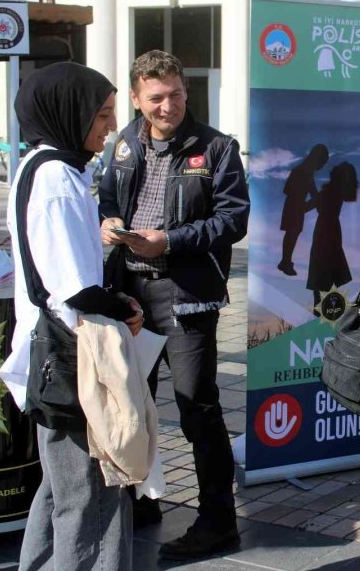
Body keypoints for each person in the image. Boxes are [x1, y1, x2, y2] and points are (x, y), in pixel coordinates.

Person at [98, 50, 249, 559]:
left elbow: (233, 221)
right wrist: (108, 222)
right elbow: (108, 199)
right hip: (129, 294)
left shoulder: (217, 148)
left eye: (177, 95)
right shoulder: (123, 143)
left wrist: (169, 240)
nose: (169, 107)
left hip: (186, 297)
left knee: (197, 409)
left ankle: (218, 523)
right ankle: (142, 503)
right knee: (133, 404)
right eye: (157, 98)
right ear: (136, 99)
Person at [0, 62, 143, 570]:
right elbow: (74, 289)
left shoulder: (41, 165)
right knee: (93, 493)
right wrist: (124, 306)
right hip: (73, 358)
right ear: (68, 114)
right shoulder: (57, 178)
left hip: (53, 354)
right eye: (101, 115)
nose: (111, 127)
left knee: (62, 490)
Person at [307, 161, 359, 310]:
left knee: (321, 282)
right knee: (327, 281)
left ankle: (322, 315)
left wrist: (309, 184)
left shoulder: (331, 192)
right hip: (331, 234)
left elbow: (312, 205)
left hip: (324, 235)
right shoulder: (337, 192)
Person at [279, 143, 329, 275]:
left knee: (292, 233)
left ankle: (285, 261)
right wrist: (315, 202)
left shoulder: (303, 170)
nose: (321, 167)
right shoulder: (303, 171)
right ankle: (285, 261)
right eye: (322, 163)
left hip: (295, 205)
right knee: (292, 233)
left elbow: (289, 190)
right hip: (294, 206)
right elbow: (310, 192)